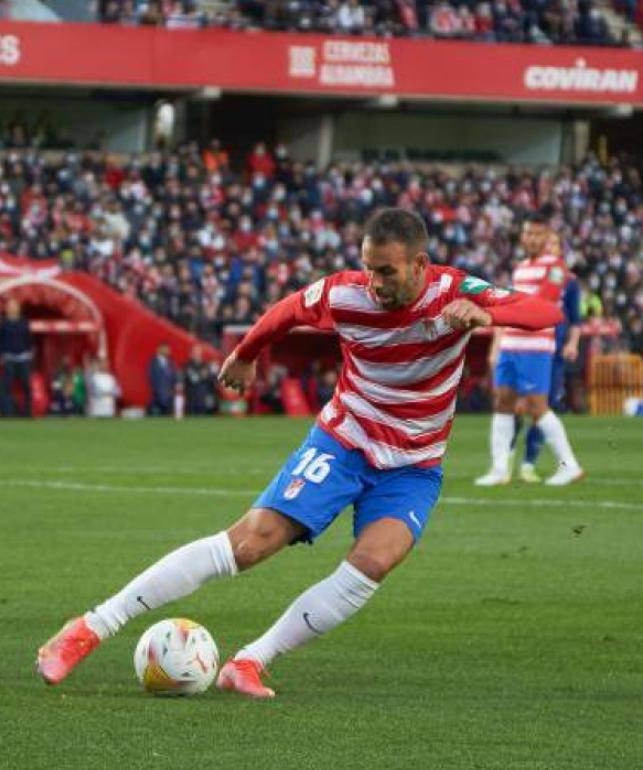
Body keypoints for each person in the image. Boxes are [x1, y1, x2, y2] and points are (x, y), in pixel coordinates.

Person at [36, 208, 562, 698]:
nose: (375, 284)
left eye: (387, 272)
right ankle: (89, 628)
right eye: (368, 269)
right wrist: (245, 354)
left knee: (374, 562)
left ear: (421, 265)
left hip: (415, 464)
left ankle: (250, 662)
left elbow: (544, 311)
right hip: (345, 441)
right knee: (249, 544)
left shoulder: (455, 290)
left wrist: (491, 313)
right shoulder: (343, 295)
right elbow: (285, 312)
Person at [476, 207, 584, 487]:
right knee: (502, 402)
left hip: (536, 347)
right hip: (511, 344)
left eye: (537, 234)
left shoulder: (556, 268)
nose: (531, 239)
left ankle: (569, 465)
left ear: (547, 236)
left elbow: (542, 303)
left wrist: (506, 308)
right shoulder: (521, 268)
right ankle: (500, 469)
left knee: (537, 407)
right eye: (527, 233)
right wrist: (498, 342)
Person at [517, 245, 583, 484]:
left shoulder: (569, 281)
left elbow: (576, 319)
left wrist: (573, 343)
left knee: (544, 405)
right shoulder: (526, 275)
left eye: (555, 246)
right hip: (526, 348)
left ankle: (528, 463)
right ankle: (506, 461)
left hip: (552, 352)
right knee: (516, 406)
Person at [0, 297, 34, 417]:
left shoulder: (24, 322)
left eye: (14, 305)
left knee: (27, 385)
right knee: (6, 386)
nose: (12, 308)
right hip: (9, 357)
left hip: (23, 357)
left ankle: (27, 412)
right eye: (10, 305)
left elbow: (29, 339)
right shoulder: (3, 323)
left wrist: (30, 352)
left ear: (18, 308)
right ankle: (7, 412)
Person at [182, 345, 217, 415]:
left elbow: (212, 380)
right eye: (195, 352)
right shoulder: (187, 366)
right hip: (192, 401)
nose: (197, 354)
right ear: (191, 354)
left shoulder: (205, 365)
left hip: (204, 400)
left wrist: (213, 373)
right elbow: (193, 379)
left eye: (198, 352)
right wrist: (203, 375)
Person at [147, 343, 177, 416]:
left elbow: (173, 377)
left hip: (169, 396)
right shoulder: (153, 362)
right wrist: (157, 390)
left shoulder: (171, 362)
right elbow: (151, 377)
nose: (168, 351)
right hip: (157, 396)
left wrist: (172, 390)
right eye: (166, 349)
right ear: (160, 349)